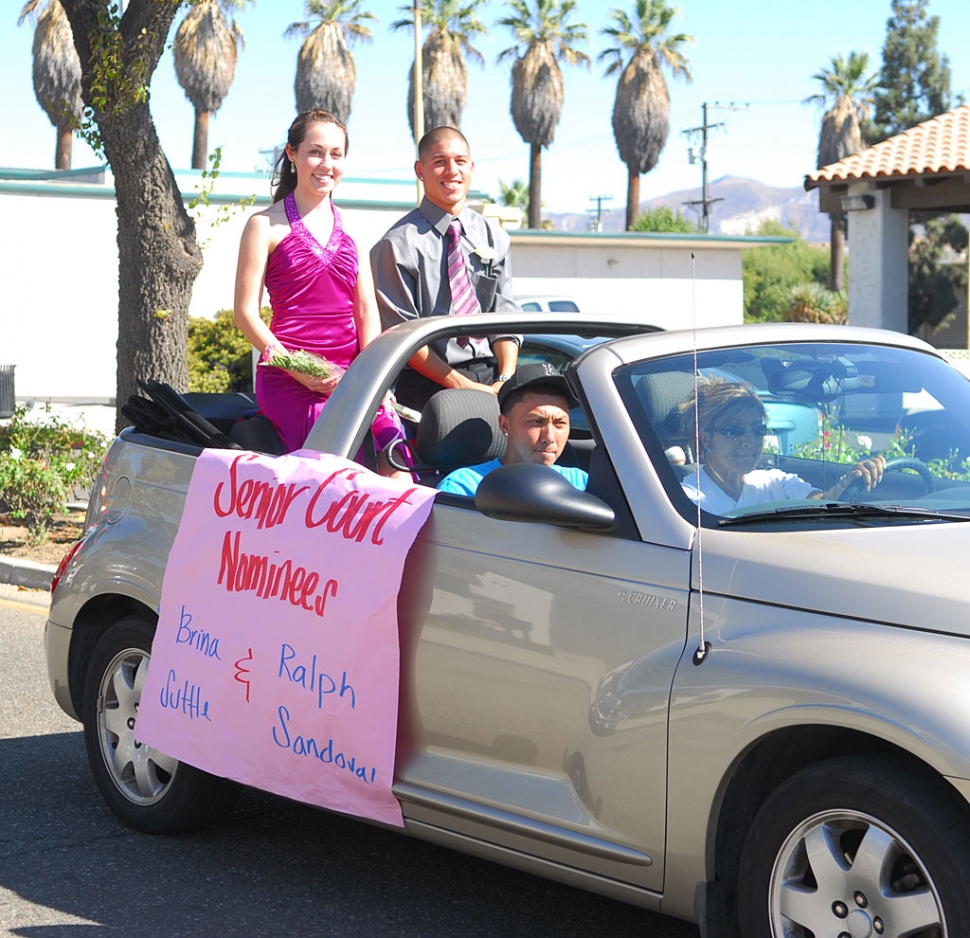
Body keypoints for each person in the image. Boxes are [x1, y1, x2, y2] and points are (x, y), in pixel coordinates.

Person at [233, 110, 406, 472]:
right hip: (288, 380)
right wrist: (297, 368)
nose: (326, 163)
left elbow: (365, 313)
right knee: (337, 466)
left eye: (336, 154)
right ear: (292, 154)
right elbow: (245, 314)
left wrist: (373, 376)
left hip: (352, 379)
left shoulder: (353, 235)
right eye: (315, 151)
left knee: (397, 455)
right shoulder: (263, 225)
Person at [370, 126, 521, 410]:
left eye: (460, 161)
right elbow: (401, 334)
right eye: (439, 162)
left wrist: (505, 377)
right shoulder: (396, 245)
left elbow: (505, 313)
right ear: (420, 170)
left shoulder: (493, 235)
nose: (452, 171)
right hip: (428, 387)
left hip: (493, 380)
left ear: (472, 167)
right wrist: (463, 386)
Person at [678, 377, 885, 513]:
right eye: (734, 430)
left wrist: (850, 480)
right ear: (705, 438)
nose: (749, 441)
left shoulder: (776, 483)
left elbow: (821, 503)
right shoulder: (689, 499)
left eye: (758, 430)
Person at [437, 363, 588, 497]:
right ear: (505, 425)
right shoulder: (465, 487)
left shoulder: (580, 482)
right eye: (536, 422)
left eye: (560, 423)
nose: (549, 437)